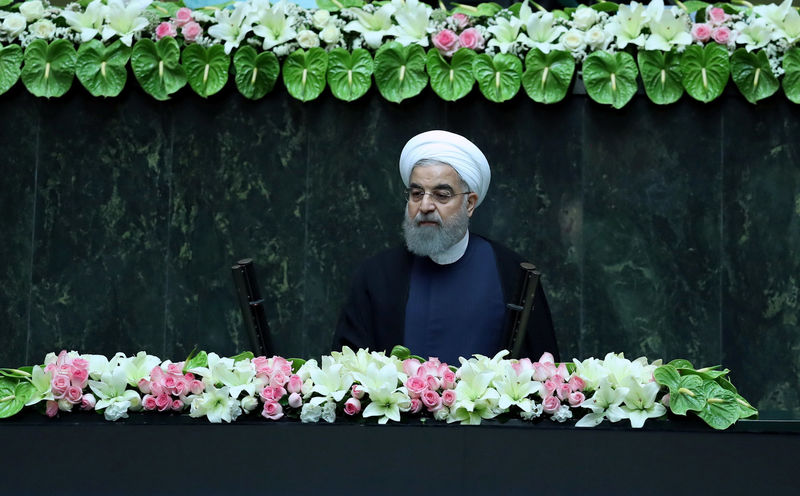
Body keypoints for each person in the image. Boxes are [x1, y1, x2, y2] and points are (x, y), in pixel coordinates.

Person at [333, 130, 559, 364]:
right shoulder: (376, 275)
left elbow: (543, 375)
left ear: (469, 203)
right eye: (416, 194)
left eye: (441, 195)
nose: (425, 205)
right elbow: (347, 371)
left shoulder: (512, 274)